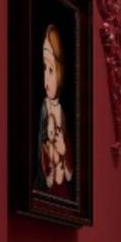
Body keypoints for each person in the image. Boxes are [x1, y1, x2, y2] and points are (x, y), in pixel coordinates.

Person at [37, 23, 73, 195]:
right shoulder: (44, 108)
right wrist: (50, 153)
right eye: (44, 68)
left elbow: (70, 168)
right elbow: (41, 145)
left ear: (60, 71)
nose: (46, 79)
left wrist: (63, 150)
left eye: (50, 70)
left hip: (61, 189)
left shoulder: (62, 114)